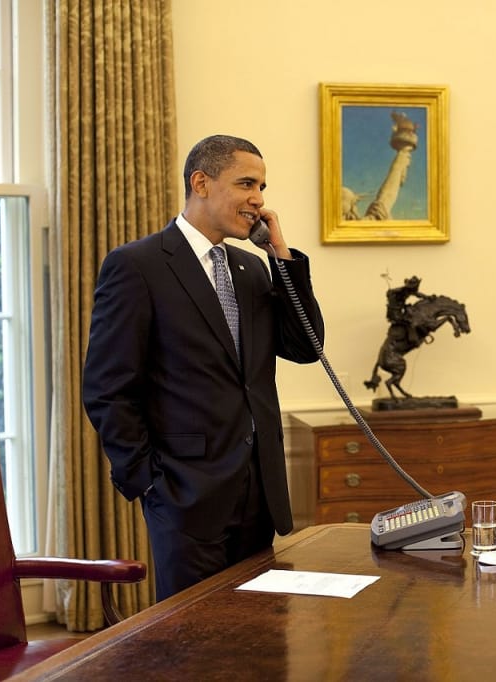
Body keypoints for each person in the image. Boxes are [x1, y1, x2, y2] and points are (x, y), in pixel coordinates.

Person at [83, 134, 325, 601]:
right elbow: (107, 388)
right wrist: (148, 481)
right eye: (247, 184)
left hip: (259, 493)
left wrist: (282, 259)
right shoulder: (137, 265)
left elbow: (306, 346)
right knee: (191, 648)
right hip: (184, 496)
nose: (258, 199)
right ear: (202, 182)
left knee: (261, 642)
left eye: (263, 187)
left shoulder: (253, 269)